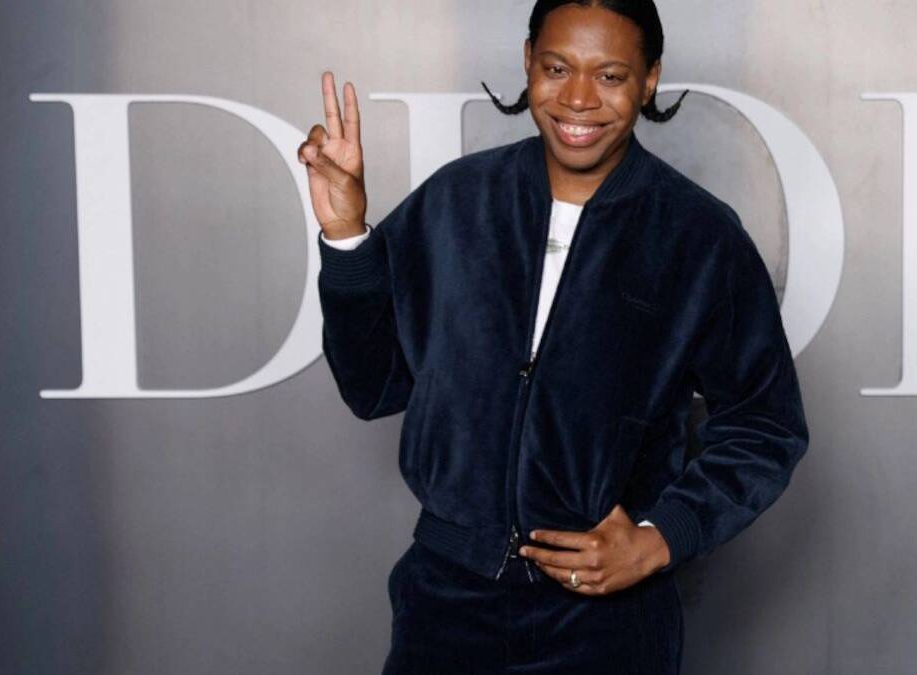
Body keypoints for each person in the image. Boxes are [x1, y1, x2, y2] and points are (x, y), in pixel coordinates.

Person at [299, 1, 810, 672]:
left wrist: (660, 537)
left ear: (650, 80)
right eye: (557, 67)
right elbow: (373, 385)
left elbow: (765, 425)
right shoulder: (456, 201)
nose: (577, 99)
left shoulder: (699, 236)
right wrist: (345, 236)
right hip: (444, 607)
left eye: (611, 76)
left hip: (606, 625)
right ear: (527, 63)